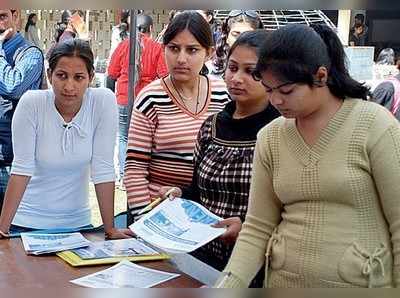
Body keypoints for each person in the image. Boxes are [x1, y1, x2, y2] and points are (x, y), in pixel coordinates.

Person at [215, 23, 400, 288]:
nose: (276, 100)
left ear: (321, 76)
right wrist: (226, 286)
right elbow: (257, 229)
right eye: (269, 90)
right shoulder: (271, 137)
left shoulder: (375, 125)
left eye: (286, 91)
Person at [159, 30, 280, 283]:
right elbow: (197, 190)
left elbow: (286, 206)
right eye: (232, 68)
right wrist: (180, 194)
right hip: (201, 256)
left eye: (251, 72)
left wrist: (246, 227)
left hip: (256, 265)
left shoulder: (280, 131)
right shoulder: (211, 127)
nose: (237, 78)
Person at [0, 38, 134, 240]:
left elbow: (103, 167)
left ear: (90, 77)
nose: (69, 86)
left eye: (78, 77)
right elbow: (21, 168)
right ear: (49, 75)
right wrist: (2, 229)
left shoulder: (103, 101)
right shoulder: (31, 103)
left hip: (79, 226)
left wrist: (110, 229)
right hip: (25, 224)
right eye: (61, 76)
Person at [124, 11, 230, 223]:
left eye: (192, 50)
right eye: (173, 48)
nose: (181, 59)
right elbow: (135, 169)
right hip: (161, 214)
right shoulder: (150, 98)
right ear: (164, 50)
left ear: (208, 53)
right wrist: (148, 221)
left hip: (212, 217)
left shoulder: (224, 94)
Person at [108, 14, 168, 189]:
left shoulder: (123, 45)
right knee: (145, 140)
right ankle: (140, 176)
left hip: (123, 98)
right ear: (150, 29)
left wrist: (112, 97)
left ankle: (124, 178)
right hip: (147, 100)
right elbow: (164, 77)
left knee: (123, 137)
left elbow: (111, 75)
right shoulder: (157, 48)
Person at [0, 9, 44, 211]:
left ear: (15, 16)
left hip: (10, 164)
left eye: (1, 17)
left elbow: (13, 87)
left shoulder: (31, 54)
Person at [211, 10, 264, 77]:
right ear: (227, 36)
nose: (240, 40)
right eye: (235, 35)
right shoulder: (210, 69)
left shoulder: (267, 72)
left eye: (248, 35)